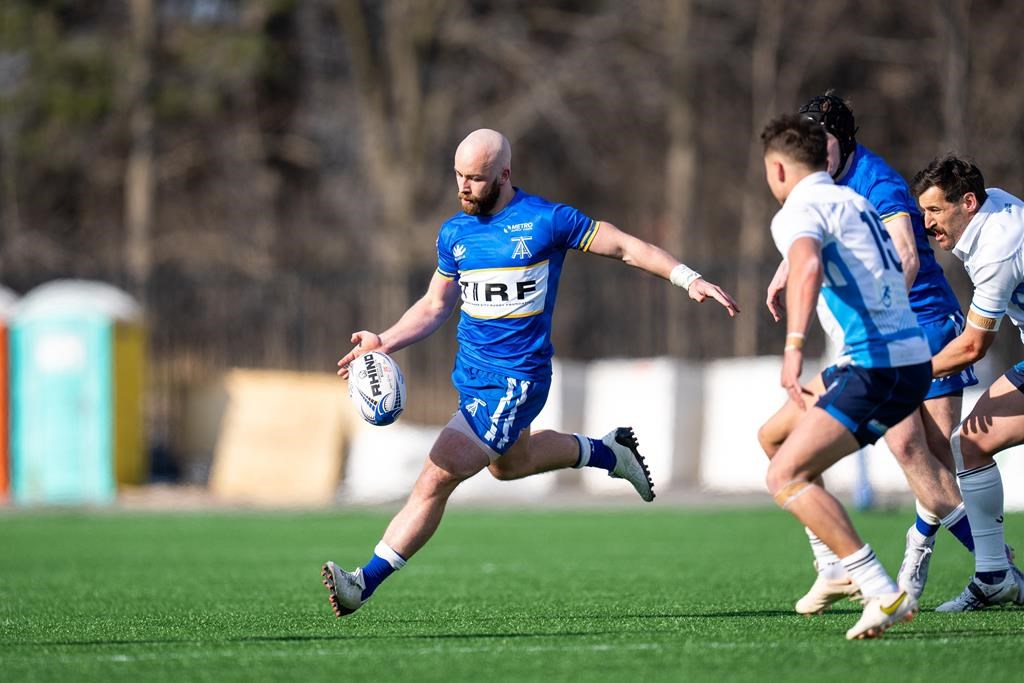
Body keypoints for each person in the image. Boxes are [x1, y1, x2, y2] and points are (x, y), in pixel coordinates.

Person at [323, 128, 740, 618]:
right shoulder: (455, 233)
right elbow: (435, 305)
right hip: (474, 380)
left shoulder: (546, 221)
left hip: (517, 381)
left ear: (504, 174)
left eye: (475, 179)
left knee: (436, 473)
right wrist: (384, 340)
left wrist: (686, 278)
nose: (464, 187)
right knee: (509, 466)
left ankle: (362, 583)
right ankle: (609, 451)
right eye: (458, 176)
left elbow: (625, 246)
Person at [759, 92, 978, 612]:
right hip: (888, 341)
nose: (817, 147)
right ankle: (838, 566)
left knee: (925, 455)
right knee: (775, 437)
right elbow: (823, 249)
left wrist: (806, 341)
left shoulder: (875, 183)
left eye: (824, 138)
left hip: (916, 328)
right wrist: (788, 268)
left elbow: (902, 255)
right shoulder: (836, 196)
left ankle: (987, 567)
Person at [910, 154, 1024, 611]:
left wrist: (905, 375)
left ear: (969, 203)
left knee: (967, 444)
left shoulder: (998, 247)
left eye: (935, 211)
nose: (927, 223)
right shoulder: (995, 207)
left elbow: (973, 346)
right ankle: (994, 575)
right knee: (971, 445)